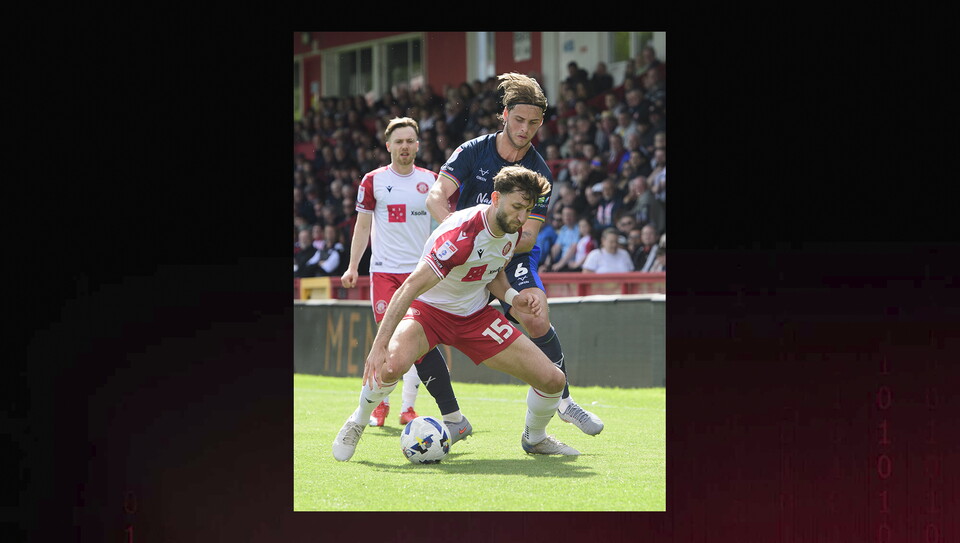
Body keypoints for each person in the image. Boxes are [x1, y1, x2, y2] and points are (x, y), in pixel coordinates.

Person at [334, 166, 580, 460]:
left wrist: (515, 298)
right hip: (429, 313)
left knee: (554, 380)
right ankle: (359, 419)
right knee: (390, 366)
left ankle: (535, 438)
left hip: (476, 317)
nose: (523, 218)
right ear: (495, 198)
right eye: (517, 207)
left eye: (527, 210)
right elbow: (408, 289)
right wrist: (378, 346)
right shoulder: (460, 237)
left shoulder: (511, 231)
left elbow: (492, 272)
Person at [426, 72, 603, 435]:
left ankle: (564, 404)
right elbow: (434, 196)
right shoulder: (472, 151)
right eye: (519, 120)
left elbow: (528, 236)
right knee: (419, 328)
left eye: (534, 122)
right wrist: (459, 235)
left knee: (536, 312)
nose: (525, 129)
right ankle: (452, 418)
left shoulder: (539, 171)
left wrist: (488, 247)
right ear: (503, 115)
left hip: (510, 253)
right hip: (463, 254)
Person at [339, 117, 472, 438]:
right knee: (387, 340)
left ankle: (409, 406)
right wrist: (353, 265)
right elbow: (362, 225)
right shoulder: (372, 181)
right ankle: (381, 403)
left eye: (410, 141)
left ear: (418, 144)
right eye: (399, 141)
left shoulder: (432, 182)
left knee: (420, 344)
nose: (405, 146)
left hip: (422, 273)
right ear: (388, 146)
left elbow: (448, 224)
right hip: (384, 273)